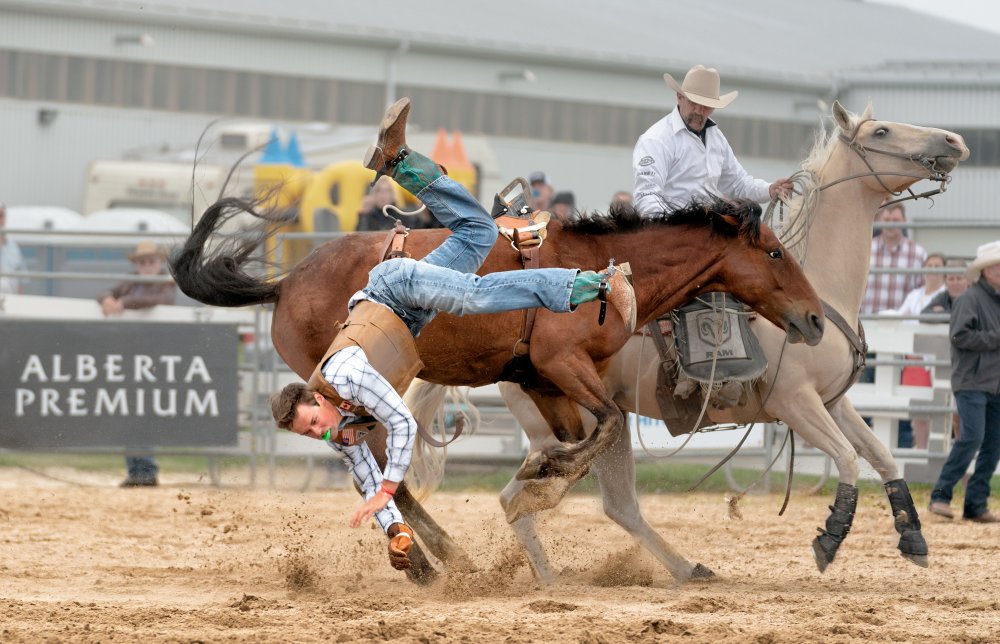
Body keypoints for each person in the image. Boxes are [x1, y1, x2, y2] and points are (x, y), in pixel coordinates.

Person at [269, 97, 623, 570]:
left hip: (397, 288)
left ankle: (590, 284)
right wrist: (394, 529)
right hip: (406, 307)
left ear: (317, 398)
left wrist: (388, 488)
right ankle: (398, 161)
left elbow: (399, 424)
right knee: (478, 231)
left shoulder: (346, 374)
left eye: (313, 421)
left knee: (475, 295)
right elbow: (371, 484)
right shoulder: (341, 432)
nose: (321, 432)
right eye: (311, 434)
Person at [632, 64, 792, 216]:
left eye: (706, 105)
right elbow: (647, 196)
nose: (699, 111)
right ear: (679, 97)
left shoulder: (716, 138)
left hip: (705, 228)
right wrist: (674, 226)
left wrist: (770, 189)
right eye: (693, 102)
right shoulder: (656, 139)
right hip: (671, 229)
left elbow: (738, 184)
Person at [928, 241, 1000, 523]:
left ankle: (975, 504)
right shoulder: (969, 299)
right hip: (972, 380)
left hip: (992, 382)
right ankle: (941, 496)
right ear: (986, 271)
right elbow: (959, 336)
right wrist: (995, 338)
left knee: (992, 443)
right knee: (973, 437)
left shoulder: (983, 299)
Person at [97, 240, 177, 487]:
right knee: (130, 412)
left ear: (159, 263)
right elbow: (105, 292)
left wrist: (124, 303)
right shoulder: (130, 282)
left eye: (151, 261)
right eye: (143, 262)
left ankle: (146, 469)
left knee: (142, 412)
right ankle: (136, 470)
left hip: (153, 355)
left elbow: (163, 300)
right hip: (130, 352)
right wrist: (108, 300)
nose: (147, 265)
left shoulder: (165, 283)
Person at [896, 253, 946, 448]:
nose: (933, 269)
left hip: (934, 360)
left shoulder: (945, 295)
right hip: (913, 359)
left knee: (936, 410)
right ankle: (921, 450)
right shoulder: (914, 295)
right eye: (929, 265)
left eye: (937, 266)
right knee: (917, 411)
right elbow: (899, 317)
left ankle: (933, 451)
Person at [862, 203, 927, 315]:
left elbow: (923, 290)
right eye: (886, 220)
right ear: (880, 221)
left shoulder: (918, 254)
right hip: (868, 320)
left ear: (905, 221)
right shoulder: (866, 249)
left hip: (903, 322)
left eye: (895, 220)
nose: (891, 224)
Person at [0, 202, 27, 295]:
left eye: (1, 216)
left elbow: (22, 278)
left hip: (10, 299)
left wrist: (19, 300)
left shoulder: (13, 247)